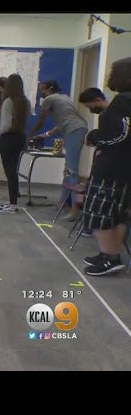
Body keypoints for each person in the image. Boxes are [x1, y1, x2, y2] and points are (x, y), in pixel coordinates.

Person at [82, 58, 131, 276]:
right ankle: (110, 254)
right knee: (117, 213)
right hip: (125, 168)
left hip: (111, 167)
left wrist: (98, 139)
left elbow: (120, 134)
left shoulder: (122, 101)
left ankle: (110, 257)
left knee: (98, 212)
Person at [29, 80, 89, 221]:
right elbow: (63, 123)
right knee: (68, 170)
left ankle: (75, 210)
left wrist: (30, 135)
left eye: (42, 89)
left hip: (75, 131)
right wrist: (46, 135)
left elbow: (41, 120)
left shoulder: (49, 99)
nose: (41, 93)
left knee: (71, 171)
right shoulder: (64, 98)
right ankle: (62, 203)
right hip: (77, 129)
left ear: (50, 88)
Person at [77, 87, 110, 237]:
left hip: (110, 162)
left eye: (90, 106)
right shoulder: (104, 115)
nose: (90, 110)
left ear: (98, 100)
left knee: (98, 192)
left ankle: (91, 226)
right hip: (103, 158)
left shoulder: (110, 115)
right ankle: (89, 224)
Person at [0, 74, 31, 214]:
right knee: (13, 172)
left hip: (8, 138)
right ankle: (13, 202)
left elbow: (5, 125)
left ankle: (13, 205)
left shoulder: (8, 102)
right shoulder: (25, 101)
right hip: (20, 137)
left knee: (9, 173)